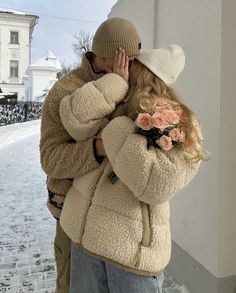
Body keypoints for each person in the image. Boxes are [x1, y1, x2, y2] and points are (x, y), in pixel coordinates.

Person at [59, 44, 206, 292]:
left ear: (143, 71)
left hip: (130, 254)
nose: (122, 67)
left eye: (131, 64)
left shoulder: (177, 119)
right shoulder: (116, 97)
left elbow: (156, 184)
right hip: (83, 240)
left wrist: (117, 130)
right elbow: (73, 117)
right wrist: (115, 83)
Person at [39, 17, 141, 293]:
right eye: (126, 61)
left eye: (134, 61)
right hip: (72, 216)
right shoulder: (65, 92)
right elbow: (51, 159)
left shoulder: (133, 82)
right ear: (108, 57)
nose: (131, 69)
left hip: (117, 220)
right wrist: (96, 149)